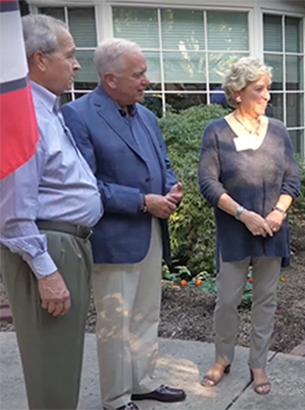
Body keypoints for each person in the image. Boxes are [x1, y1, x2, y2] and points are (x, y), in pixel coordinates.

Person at [61, 38, 185, 410]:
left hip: (149, 232)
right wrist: (143, 202)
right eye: (139, 74)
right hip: (112, 238)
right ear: (110, 79)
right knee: (116, 322)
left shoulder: (146, 115)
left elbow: (160, 164)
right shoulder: (78, 115)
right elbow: (85, 184)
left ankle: (142, 382)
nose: (146, 81)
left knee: (148, 313)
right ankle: (116, 399)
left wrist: (171, 187)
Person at [0, 14, 102, 410]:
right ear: (39, 59)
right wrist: (45, 270)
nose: (77, 64)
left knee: (62, 363)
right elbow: (12, 206)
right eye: (70, 55)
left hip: (63, 243)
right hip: (49, 245)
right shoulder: (21, 116)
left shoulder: (45, 109)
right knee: (52, 369)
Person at [197, 56, 300, 394]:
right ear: (238, 93)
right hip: (235, 232)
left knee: (265, 300)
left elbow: (292, 179)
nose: (267, 95)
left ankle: (258, 363)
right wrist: (244, 215)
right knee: (227, 300)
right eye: (260, 89)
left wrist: (277, 214)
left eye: (267, 89)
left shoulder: (279, 130)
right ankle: (222, 358)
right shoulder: (216, 131)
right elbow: (209, 184)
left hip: (272, 232)